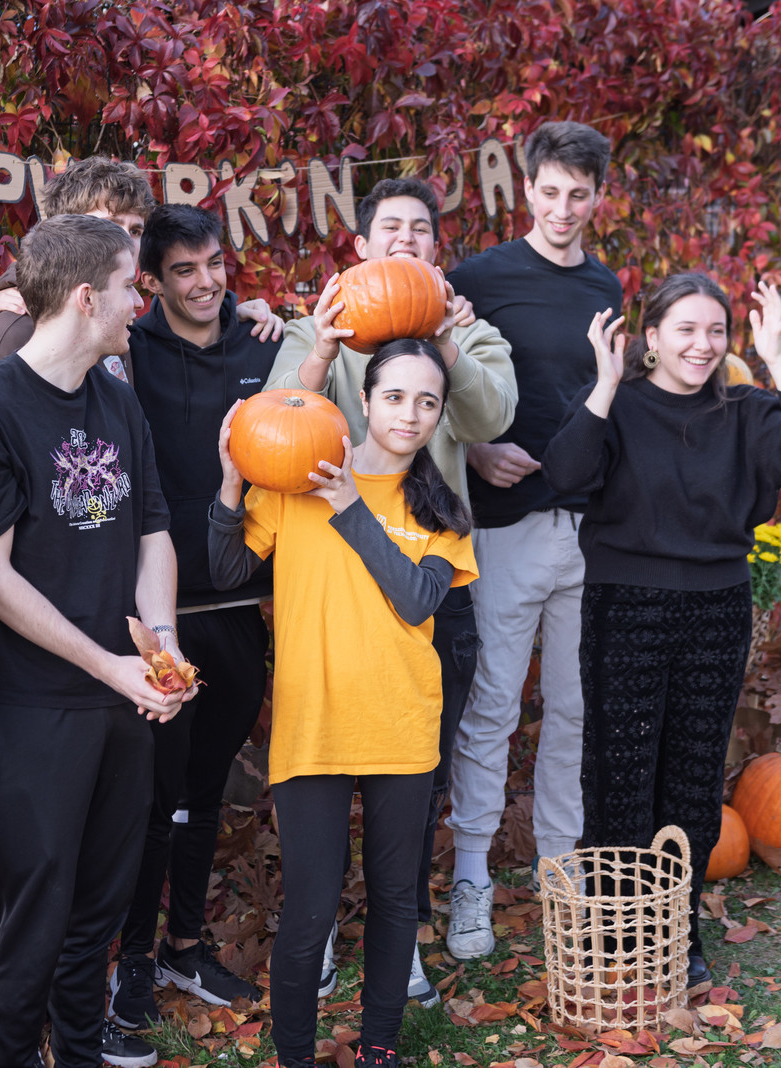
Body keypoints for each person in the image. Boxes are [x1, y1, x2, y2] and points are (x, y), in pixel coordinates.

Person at [0, 213, 192, 1068]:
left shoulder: (118, 400)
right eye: (129, 286)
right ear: (86, 297)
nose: (139, 304)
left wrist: (159, 650)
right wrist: (110, 667)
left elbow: (152, 531)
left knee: (96, 918)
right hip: (30, 706)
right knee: (31, 922)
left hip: (123, 698)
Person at [542, 274, 781, 984]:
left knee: (693, 774)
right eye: (686, 329)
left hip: (715, 609)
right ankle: (618, 930)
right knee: (620, 771)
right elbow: (564, 474)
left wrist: (777, 357)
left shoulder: (746, 409)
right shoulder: (616, 403)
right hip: (625, 606)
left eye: (716, 331)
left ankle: (679, 929)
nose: (702, 345)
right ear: (652, 337)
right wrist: (605, 385)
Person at [266, 177, 514, 1004]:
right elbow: (271, 425)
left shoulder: (467, 328)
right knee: (325, 772)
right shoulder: (317, 323)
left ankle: (397, 938)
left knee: (416, 770)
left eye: (420, 230)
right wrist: (321, 351)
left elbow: (489, 420)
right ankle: (319, 932)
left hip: (428, 566)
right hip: (333, 574)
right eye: (390, 228)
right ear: (362, 246)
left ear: (436, 249)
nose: (405, 240)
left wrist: (445, 343)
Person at [210, 339, 479, 1068]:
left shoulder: (441, 511)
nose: (410, 414)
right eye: (394, 396)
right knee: (309, 910)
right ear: (363, 400)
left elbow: (417, 600)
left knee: (394, 901)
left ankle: (379, 1051)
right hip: (314, 725)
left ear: (439, 414)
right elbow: (227, 568)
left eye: (427, 401)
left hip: (402, 724)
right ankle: (295, 1057)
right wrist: (231, 484)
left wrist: (355, 509)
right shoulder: (297, 478)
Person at [443, 121, 624, 960]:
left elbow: (604, 398)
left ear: (598, 197)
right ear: (527, 189)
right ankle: (471, 879)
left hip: (588, 529)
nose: (562, 208)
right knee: (491, 708)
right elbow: (432, 380)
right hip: (505, 528)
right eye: (550, 191)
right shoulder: (479, 278)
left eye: (578, 195)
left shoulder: (605, 285)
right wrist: (476, 446)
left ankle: (561, 871)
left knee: (575, 712)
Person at [107, 204, 280, 1029]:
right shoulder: (129, 352)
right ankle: (133, 963)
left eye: (214, 263)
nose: (206, 282)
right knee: (155, 797)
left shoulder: (262, 344)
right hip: (160, 614)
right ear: (152, 280)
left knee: (205, 789)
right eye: (184, 270)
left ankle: (185, 945)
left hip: (240, 602)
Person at [0, 156, 281, 397]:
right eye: (109, 226)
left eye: (135, 231)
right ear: (63, 227)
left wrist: (228, 315)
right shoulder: (9, 335)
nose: (125, 243)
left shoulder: (113, 323)